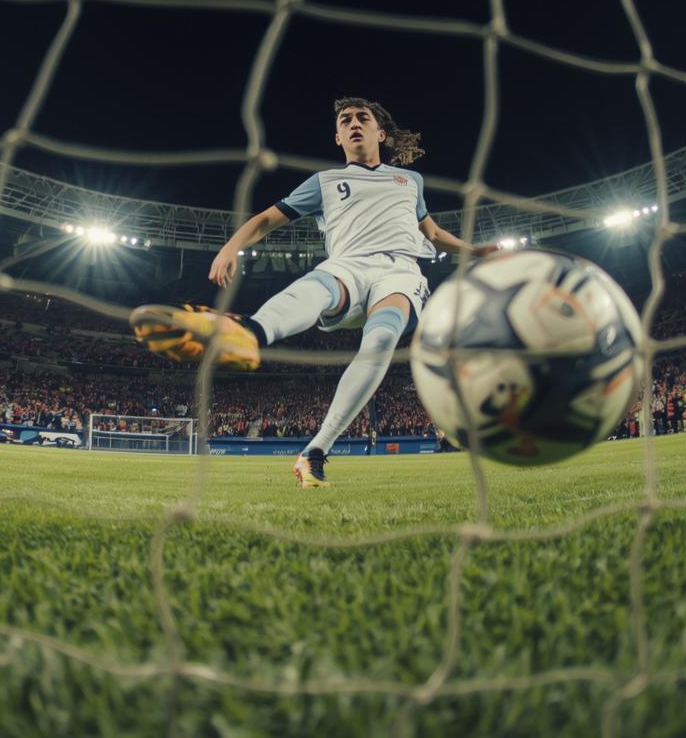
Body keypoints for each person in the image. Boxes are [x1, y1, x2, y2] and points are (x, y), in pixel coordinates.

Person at [130, 97, 497, 488]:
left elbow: (434, 234)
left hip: (400, 272)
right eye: (345, 120)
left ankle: (315, 451)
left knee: (383, 338)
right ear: (338, 137)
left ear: (381, 133)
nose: (354, 123)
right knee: (320, 286)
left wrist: (474, 252)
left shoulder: (410, 181)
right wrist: (228, 247)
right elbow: (266, 218)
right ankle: (248, 334)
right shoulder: (323, 182)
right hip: (348, 266)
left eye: (362, 118)